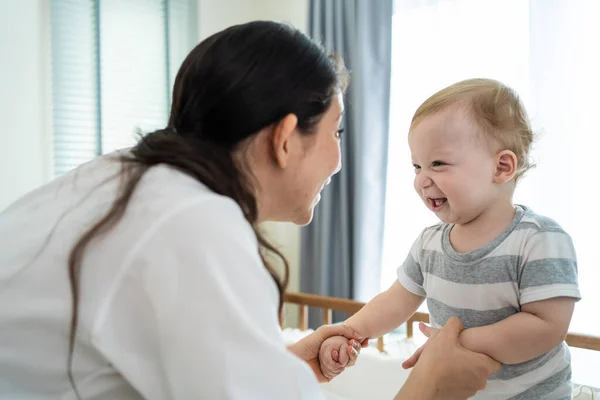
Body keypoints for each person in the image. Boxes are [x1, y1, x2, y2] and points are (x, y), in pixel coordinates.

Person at [0, 21, 498, 399]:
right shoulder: (191, 226)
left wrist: (278, 364)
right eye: (336, 133)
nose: (340, 159)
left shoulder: (125, 181)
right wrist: (429, 387)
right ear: (284, 139)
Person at [319, 78, 581, 399]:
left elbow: (547, 328)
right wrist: (351, 332)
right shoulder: (429, 244)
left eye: (437, 164)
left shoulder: (538, 240)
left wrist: (453, 344)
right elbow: (395, 301)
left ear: (501, 167)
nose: (421, 179)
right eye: (417, 166)